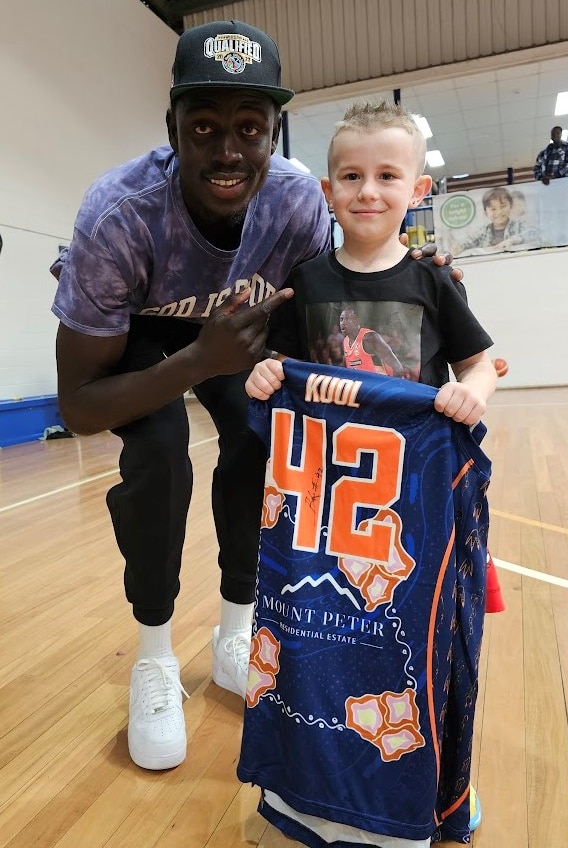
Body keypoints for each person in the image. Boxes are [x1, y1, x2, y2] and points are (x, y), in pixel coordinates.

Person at [50, 21, 461, 772]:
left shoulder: (297, 200)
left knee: (262, 439)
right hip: (146, 347)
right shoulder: (116, 217)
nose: (228, 150)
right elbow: (78, 406)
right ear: (171, 128)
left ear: (274, 132)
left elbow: (337, 284)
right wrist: (193, 362)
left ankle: (236, 629)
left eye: (250, 127)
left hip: (235, 336)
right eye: (203, 126)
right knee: (160, 455)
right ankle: (154, 658)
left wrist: (410, 272)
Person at [242, 101, 497, 847]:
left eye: (388, 176)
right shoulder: (307, 281)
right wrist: (262, 378)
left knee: (421, 647)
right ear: (327, 192)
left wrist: (469, 394)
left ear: (418, 191)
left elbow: (483, 363)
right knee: (326, 640)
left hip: (408, 505)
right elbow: (275, 367)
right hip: (324, 507)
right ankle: (311, 787)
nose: (368, 192)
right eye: (351, 176)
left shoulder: (434, 283)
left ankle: (441, 785)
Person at [453, 185, 540, 255]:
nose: (499, 212)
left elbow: (535, 233)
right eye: (493, 209)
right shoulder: (483, 231)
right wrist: (458, 248)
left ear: (511, 206)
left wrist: (512, 240)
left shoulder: (519, 225)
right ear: (485, 212)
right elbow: (468, 242)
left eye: (503, 206)